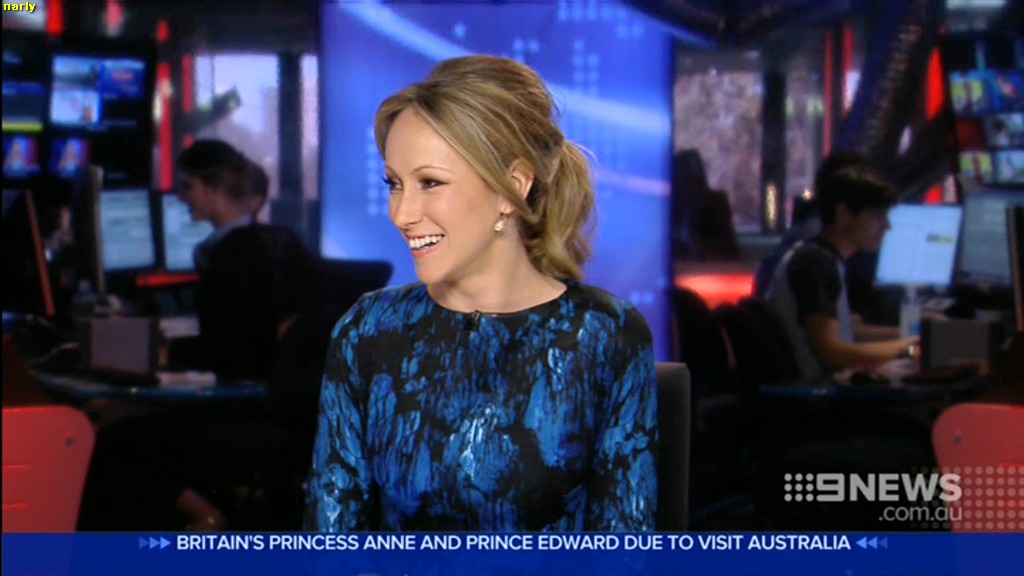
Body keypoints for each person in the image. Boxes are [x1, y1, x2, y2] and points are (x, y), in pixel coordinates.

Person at [305, 55, 657, 532]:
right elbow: (332, 546)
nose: (402, 213)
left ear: (512, 187)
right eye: (395, 184)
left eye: (430, 183)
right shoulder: (367, 332)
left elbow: (624, 551)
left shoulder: (605, 334)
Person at [174, 139, 321, 379]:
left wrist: (164, 352)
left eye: (187, 187)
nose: (180, 197)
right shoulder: (262, 243)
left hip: (244, 390)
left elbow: (230, 351)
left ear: (216, 189)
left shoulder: (231, 255)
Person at [765, 162, 920, 378]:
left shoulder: (824, 257)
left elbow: (841, 335)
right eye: (878, 216)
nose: (887, 226)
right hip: (817, 393)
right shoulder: (815, 262)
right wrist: (910, 350)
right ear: (844, 214)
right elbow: (833, 354)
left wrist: (911, 338)